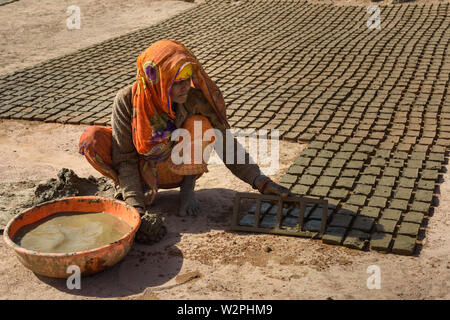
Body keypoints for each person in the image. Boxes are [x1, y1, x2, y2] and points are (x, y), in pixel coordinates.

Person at [79, 40, 291, 244]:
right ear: (157, 80)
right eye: (177, 82)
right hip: (140, 168)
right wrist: (136, 208)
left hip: (177, 169)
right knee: (91, 139)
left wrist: (260, 181)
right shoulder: (127, 101)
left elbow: (226, 143)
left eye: (187, 79)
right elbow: (124, 159)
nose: (186, 87)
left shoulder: (193, 99)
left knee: (201, 124)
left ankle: (187, 189)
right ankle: (136, 192)